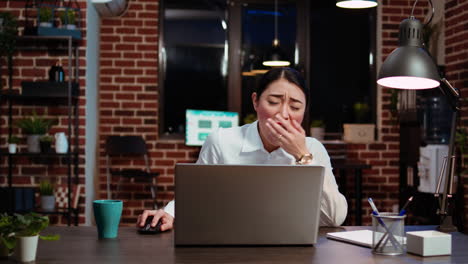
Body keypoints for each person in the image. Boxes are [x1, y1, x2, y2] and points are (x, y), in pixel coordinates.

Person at [137, 67, 348, 231]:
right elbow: (197, 195)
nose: (284, 114)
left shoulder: (312, 148)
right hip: (228, 242)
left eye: (295, 107)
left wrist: (303, 156)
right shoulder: (221, 141)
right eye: (273, 102)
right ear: (256, 102)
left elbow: (334, 218)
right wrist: (169, 213)